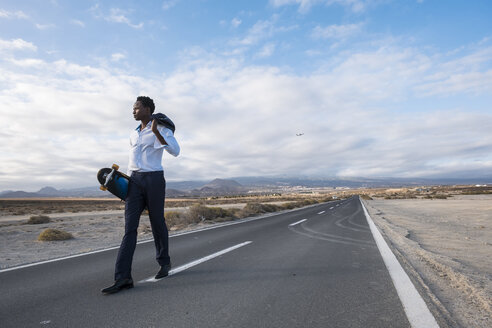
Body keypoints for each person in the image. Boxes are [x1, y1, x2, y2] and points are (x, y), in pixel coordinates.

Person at [102, 96, 180, 294]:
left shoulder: (161, 127)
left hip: (154, 179)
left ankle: (164, 262)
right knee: (130, 229)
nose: (133, 111)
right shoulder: (133, 134)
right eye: (133, 108)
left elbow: (175, 151)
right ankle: (123, 278)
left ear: (147, 109)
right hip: (134, 181)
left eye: (136, 108)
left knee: (157, 222)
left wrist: (156, 133)